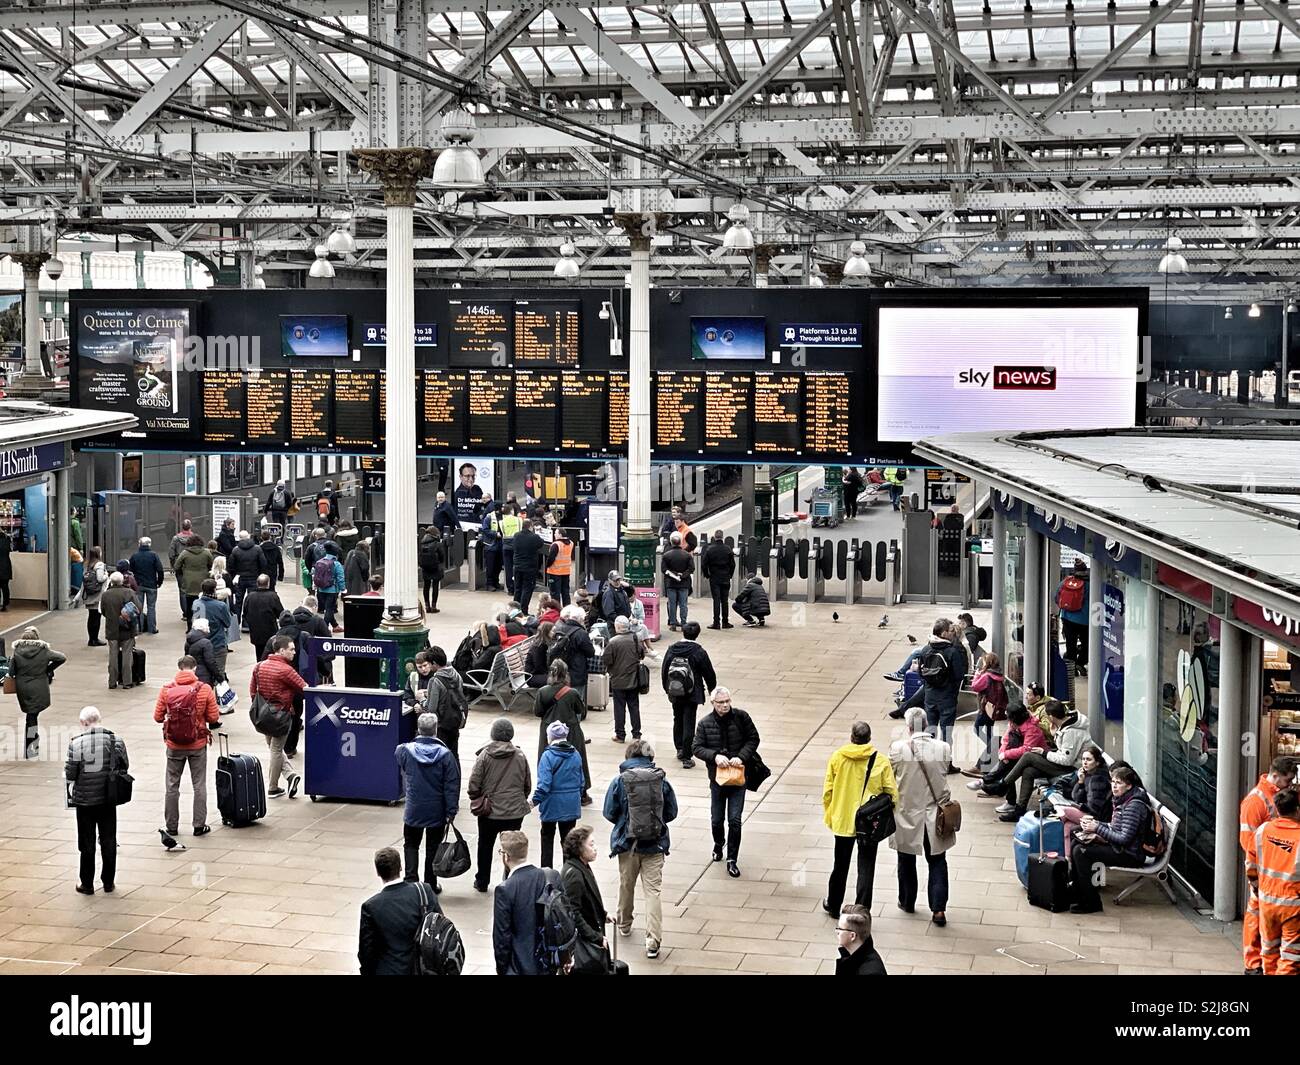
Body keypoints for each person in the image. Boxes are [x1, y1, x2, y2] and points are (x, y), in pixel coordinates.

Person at [603, 738, 678, 960]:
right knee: (653, 892)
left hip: (628, 846)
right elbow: (671, 812)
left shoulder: (620, 781)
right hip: (655, 845)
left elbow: (609, 812)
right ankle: (653, 941)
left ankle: (624, 923)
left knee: (627, 885)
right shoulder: (661, 781)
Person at [821, 720, 898, 915]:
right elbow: (891, 792)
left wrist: (832, 814)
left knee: (840, 865)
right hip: (869, 822)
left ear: (852, 737)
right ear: (869, 739)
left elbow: (828, 790)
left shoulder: (838, 757)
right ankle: (861, 909)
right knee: (866, 866)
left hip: (843, 818)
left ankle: (834, 904)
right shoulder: (880, 760)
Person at [889, 707, 953, 926]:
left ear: (908, 727)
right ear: (927, 725)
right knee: (937, 860)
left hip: (908, 814)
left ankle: (907, 901)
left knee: (905, 859)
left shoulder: (897, 749)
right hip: (935, 814)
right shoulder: (943, 748)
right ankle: (938, 909)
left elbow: (892, 776)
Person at [693, 687, 760, 877]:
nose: (725, 705)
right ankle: (718, 843)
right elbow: (696, 747)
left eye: (727, 701)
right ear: (713, 703)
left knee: (735, 820)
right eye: (720, 702)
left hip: (738, 778)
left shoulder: (741, 717)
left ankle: (732, 859)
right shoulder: (705, 724)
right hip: (718, 780)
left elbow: (753, 739)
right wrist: (714, 757)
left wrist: (741, 757)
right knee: (716, 819)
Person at [155, 654, 221, 844]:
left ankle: (172, 826)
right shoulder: (204, 689)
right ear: (195, 669)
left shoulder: (167, 690)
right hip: (197, 744)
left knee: (172, 785)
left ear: (179, 668)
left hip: (174, 745)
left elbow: (158, 717)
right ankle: (199, 825)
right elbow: (214, 717)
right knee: (198, 784)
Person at [1069, 765, 1153, 914]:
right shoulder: (1124, 799)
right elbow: (1115, 826)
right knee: (1077, 837)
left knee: (1081, 852)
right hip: (1120, 848)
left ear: (1128, 785)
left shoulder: (1133, 806)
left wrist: (1096, 828)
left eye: (1119, 783)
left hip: (1129, 854)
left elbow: (1124, 838)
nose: (1114, 786)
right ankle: (1077, 891)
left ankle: (1091, 902)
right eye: (1113, 782)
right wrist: (1095, 824)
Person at [1241, 755, 1298, 974]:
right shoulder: (1256, 801)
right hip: (1266, 879)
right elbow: (1248, 842)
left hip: (1270, 879)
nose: (1290, 784)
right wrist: (1255, 878)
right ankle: (1253, 964)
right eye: (1288, 780)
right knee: (1256, 922)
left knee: (1267, 935)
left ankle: (1260, 966)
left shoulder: (1277, 797)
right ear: (1275, 776)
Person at [995, 698, 1091, 822]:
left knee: (1028, 756)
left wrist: (1045, 753)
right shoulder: (1064, 726)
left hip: (1072, 771)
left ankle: (1003, 784)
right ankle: (1019, 810)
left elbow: (1067, 760)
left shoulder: (1071, 732)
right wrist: (1054, 734)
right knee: (1028, 771)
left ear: (1051, 717)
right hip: (1064, 765)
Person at [395, 711, 461, 891]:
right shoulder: (446, 755)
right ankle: (430, 884)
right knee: (433, 846)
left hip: (413, 808)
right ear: (436, 730)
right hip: (436, 810)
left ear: (418, 729)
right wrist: (451, 811)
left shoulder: (404, 751)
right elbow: (451, 786)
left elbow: (399, 758)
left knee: (411, 844)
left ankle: (410, 881)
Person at [65, 706, 128, 896]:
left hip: (85, 800)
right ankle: (108, 882)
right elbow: (125, 765)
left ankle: (87, 883)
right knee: (109, 839)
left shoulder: (76, 744)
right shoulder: (115, 740)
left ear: (84, 723)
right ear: (99, 720)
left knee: (87, 842)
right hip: (108, 798)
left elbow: (70, 773)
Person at [468, 718, 533, 893]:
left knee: (485, 845)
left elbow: (474, 783)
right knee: (511, 847)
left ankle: (482, 880)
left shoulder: (484, 756)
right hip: (514, 812)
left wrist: (477, 798)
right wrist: (519, 798)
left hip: (489, 812)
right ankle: (509, 880)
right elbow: (527, 784)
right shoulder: (520, 755)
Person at [358, 846, 433, 976]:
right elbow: (439, 927)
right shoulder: (423, 892)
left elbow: (367, 951)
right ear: (400, 867)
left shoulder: (371, 906)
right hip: (425, 969)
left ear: (378, 872)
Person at [251, 635, 307, 799]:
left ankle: (290, 775)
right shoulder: (286, 670)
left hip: (263, 714)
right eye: (291, 649)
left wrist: (259, 707)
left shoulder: (259, 666)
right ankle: (273, 787)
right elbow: (304, 688)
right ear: (281, 650)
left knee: (272, 746)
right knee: (276, 749)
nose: (294, 652)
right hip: (281, 715)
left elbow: (253, 690)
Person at [492, 830, 549, 976]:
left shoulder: (505, 889)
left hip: (518, 964)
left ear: (506, 856)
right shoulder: (545, 875)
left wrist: (502, 968)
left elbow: (501, 936)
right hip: (544, 960)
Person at [535, 659, 592, 805]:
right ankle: (582, 792)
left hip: (548, 730)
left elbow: (537, 712)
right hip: (570, 730)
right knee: (577, 758)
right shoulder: (572, 692)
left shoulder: (542, 691)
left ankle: (545, 789)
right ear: (566, 674)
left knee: (546, 759)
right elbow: (580, 710)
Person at [661, 621, 717, 769]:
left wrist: (667, 688)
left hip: (675, 691)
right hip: (693, 693)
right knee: (689, 722)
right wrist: (712, 690)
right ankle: (687, 755)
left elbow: (665, 669)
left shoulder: (672, 649)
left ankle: (679, 748)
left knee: (677, 719)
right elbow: (709, 673)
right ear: (697, 634)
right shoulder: (698, 652)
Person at [533, 720, 584, 869]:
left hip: (551, 804)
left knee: (547, 838)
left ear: (550, 737)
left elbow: (544, 785)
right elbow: (581, 781)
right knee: (568, 842)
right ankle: (568, 873)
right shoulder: (575, 754)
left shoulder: (547, 756)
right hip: (571, 805)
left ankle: (547, 872)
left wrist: (534, 801)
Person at [561, 825, 614, 966]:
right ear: (579, 848)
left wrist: (603, 914)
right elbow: (573, 912)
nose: (595, 848)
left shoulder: (581, 866)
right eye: (591, 844)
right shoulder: (574, 874)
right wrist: (596, 938)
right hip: (588, 942)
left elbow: (588, 898)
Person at [920, 618, 968, 771]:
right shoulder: (951, 651)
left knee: (930, 731)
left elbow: (921, 673)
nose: (950, 632)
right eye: (948, 630)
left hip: (930, 697)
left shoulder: (926, 650)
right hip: (947, 698)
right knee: (946, 734)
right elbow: (959, 675)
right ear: (943, 633)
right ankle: (945, 764)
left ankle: (929, 764)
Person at [11, 626, 65, 760]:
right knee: (32, 716)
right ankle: (31, 747)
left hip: (22, 686)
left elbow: (11, 672)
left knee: (31, 715)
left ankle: (31, 745)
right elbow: (62, 657)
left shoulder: (17, 652)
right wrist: (48, 669)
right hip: (39, 685)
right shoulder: (43, 650)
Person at [970, 705, 1048, 795]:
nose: (1026, 696)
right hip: (1021, 756)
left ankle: (987, 781)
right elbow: (1005, 739)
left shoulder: (1032, 729)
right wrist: (1003, 753)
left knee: (1009, 764)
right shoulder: (1014, 724)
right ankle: (989, 783)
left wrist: (1006, 755)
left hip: (1035, 759)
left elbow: (1026, 750)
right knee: (1005, 758)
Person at [1059, 746, 1113, 861]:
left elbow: (1094, 808)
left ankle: (1067, 860)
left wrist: (1081, 806)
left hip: (1097, 818)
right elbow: (1075, 797)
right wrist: (1081, 781)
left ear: (1097, 762)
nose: (1085, 762)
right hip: (1090, 813)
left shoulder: (1098, 779)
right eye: (1083, 759)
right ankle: (1068, 859)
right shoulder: (1088, 775)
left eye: (1089, 759)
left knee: (1064, 812)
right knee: (1068, 825)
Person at [604, 615, 646, 744]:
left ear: (617, 627)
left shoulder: (613, 642)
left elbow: (606, 660)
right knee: (634, 707)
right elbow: (642, 654)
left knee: (619, 707)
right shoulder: (635, 638)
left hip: (618, 679)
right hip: (633, 678)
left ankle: (620, 734)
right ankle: (636, 733)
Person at [99, 572, 140, 691]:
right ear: (122, 581)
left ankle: (112, 681)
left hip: (112, 629)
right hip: (127, 629)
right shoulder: (129, 592)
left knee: (113, 655)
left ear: (111, 581)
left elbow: (103, 611)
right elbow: (138, 609)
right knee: (127, 655)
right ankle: (127, 681)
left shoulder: (106, 595)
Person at [967, 651, 1007, 774]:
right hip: (993, 708)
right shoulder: (999, 675)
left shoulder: (986, 676)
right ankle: (993, 748)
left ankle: (993, 748)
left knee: (977, 729)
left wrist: (977, 675)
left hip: (985, 708)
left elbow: (975, 686)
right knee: (989, 729)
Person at [549, 603, 596, 702]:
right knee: (576, 701)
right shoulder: (581, 633)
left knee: (561, 701)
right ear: (581, 619)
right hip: (577, 672)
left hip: (560, 670)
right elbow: (590, 652)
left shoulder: (559, 628)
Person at [1056, 558, 1091, 675]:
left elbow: (1057, 597)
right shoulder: (1090, 585)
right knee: (1087, 643)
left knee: (1070, 644)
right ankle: (1080, 663)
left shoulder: (1066, 582)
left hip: (1067, 618)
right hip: (1084, 620)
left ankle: (1071, 668)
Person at [191, 579, 232, 676]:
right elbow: (227, 623)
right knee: (219, 673)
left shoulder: (196, 603)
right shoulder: (221, 606)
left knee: (203, 674)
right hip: (217, 643)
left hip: (199, 643)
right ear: (214, 590)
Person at [834, 905, 887, 975]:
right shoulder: (853, 954)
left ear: (852, 936)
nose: (837, 931)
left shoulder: (871, 972)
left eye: (840, 929)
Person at [128, 536, 165, 635]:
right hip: (151, 584)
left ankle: (139, 628)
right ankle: (152, 628)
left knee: (138, 607)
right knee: (151, 607)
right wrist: (159, 582)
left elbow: (130, 570)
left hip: (138, 584)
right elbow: (160, 570)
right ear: (149, 544)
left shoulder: (134, 556)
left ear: (139, 544)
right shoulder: (154, 555)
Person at [242, 575, 285, 660]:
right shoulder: (273, 596)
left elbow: (245, 613)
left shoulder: (250, 596)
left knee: (259, 654)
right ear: (268, 583)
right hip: (270, 630)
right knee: (271, 654)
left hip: (255, 631)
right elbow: (280, 613)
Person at [658, 531, 693, 632]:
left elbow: (664, 569)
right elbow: (691, 568)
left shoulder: (666, 555)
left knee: (672, 604)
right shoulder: (687, 555)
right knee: (683, 604)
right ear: (681, 542)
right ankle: (683, 623)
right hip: (684, 583)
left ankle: (673, 623)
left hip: (671, 583)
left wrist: (673, 574)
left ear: (671, 542)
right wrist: (682, 575)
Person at [175, 535, 213, 627]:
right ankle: (201, 625)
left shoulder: (185, 553)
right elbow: (211, 564)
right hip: (202, 581)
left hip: (189, 582)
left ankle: (189, 625)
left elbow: (176, 566)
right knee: (202, 603)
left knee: (189, 604)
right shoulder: (206, 553)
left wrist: (183, 572)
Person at [700, 530, 735, 629]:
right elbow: (733, 564)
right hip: (725, 577)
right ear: (722, 537)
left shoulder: (710, 549)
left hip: (714, 577)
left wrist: (707, 574)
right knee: (725, 600)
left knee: (716, 600)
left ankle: (716, 623)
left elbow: (704, 564)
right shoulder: (728, 549)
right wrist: (730, 575)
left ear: (715, 537)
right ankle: (725, 622)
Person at [511, 519, 546, 615]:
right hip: (529, 567)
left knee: (518, 588)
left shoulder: (516, 535)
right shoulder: (534, 537)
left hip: (517, 566)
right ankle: (524, 610)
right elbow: (541, 543)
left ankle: (514, 610)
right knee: (527, 589)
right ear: (530, 527)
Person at [229, 529, 265, 620]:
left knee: (238, 601)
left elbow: (231, 565)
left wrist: (235, 575)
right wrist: (260, 573)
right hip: (253, 577)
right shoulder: (257, 549)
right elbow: (263, 563)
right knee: (251, 601)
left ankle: (236, 621)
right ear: (248, 537)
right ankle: (248, 622)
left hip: (240, 578)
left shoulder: (235, 550)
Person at [312, 541, 345, 630]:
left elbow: (314, 574)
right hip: (332, 590)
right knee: (329, 610)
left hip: (321, 589)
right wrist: (343, 589)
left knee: (327, 608)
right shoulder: (336, 564)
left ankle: (335, 626)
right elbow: (340, 578)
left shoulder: (319, 562)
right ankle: (324, 628)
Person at [183, 617, 223, 691]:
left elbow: (187, 657)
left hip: (192, 674)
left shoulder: (188, 641)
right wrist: (219, 677)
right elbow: (210, 662)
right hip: (204, 677)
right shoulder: (206, 643)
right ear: (204, 628)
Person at [80, 547, 109, 647]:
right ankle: (95, 639)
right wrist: (106, 575)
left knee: (91, 617)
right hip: (97, 594)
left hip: (89, 593)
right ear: (98, 554)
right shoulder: (99, 565)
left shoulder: (87, 564)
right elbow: (100, 579)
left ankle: (91, 639)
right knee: (96, 617)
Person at [169, 519, 194, 619]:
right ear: (190, 526)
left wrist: (174, 565)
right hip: (192, 566)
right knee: (193, 589)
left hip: (180, 567)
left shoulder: (176, 538)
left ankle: (185, 613)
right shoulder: (194, 538)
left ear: (182, 526)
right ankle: (192, 610)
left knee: (182, 590)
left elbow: (171, 553)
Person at [417, 526, 445, 613]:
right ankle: (434, 606)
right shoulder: (437, 544)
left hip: (425, 567)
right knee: (435, 586)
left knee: (426, 586)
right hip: (435, 567)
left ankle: (427, 606)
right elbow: (442, 556)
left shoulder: (422, 543)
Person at [545, 528, 575, 606]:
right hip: (566, 571)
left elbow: (551, 558)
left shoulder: (556, 544)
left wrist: (546, 566)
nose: (554, 534)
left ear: (560, 535)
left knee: (555, 593)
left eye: (556, 533)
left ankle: (556, 610)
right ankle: (567, 609)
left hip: (554, 572)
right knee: (565, 592)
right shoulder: (571, 543)